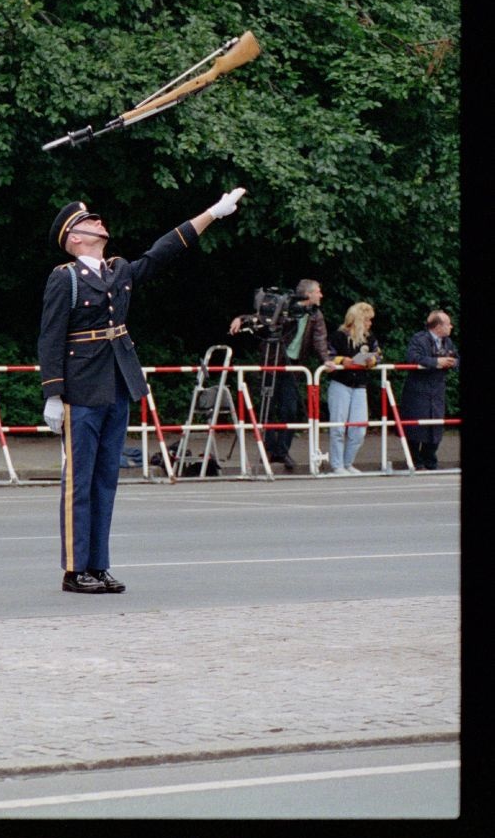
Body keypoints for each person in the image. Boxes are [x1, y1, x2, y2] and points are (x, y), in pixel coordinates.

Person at [39, 189, 245, 594]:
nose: (99, 222)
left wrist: (211, 214)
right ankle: (73, 569)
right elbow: (50, 337)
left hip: (117, 384)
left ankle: (97, 565)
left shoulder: (117, 270)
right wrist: (52, 393)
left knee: (105, 481)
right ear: (74, 237)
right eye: (90, 221)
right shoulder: (65, 278)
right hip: (81, 388)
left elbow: (163, 250)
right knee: (78, 482)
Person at [228, 279, 333, 470]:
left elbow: (320, 339)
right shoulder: (285, 308)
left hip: (293, 365)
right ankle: (268, 448)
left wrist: (326, 359)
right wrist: (241, 319)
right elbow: (261, 316)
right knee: (267, 406)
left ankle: (282, 451)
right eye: (318, 291)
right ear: (308, 294)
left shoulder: (315, 314)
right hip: (272, 359)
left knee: (290, 409)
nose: (321, 295)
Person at [324, 302, 382, 475]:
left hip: (360, 386)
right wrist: (342, 361)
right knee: (338, 427)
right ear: (357, 319)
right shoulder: (338, 336)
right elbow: (327, 356)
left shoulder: (369, 337)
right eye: (367, 320)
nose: (370, 324)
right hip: (340, 384)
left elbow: (378, 355)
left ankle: (348, 462)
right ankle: (337, 465)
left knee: (359, 428)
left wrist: (371, 361)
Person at [402, 310, 459, 470]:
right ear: (438, 326)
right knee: (415, 426)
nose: (451, 327)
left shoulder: (448, 342)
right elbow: (413, 358)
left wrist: (452, 363)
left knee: (436, 426)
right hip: (418, 390)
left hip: (437, 390)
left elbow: (457, 359)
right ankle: (415, 459)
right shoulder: (419, 339)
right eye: (448, 324)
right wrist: (436, 361)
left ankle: (430, 458)